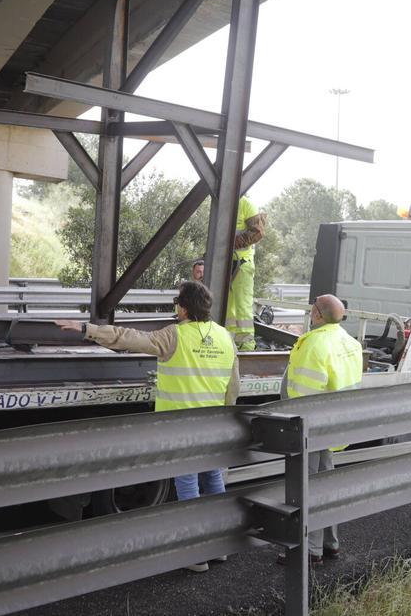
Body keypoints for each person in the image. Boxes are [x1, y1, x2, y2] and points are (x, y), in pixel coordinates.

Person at [57, 280, 238, 573]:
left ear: (183, 308)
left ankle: (195, 554)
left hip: (181, 427)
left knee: (188, 485)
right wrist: (224, 419)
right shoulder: (225, 337)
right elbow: (233, 385)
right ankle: (219, 546)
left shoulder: (175, 336)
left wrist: (86, 329)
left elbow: (128, 338)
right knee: (214, 481)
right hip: (213, 424)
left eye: (177, 302)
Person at [278, 294, 362, 566]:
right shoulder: (351, 343)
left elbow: (300, 392)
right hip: (336, 425)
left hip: (311, 429)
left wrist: (289, 423)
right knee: (328, 484)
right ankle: (330, 543)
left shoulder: (312, 343)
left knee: (309, 487)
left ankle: (310, 550)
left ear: (316, 315)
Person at [227, 196, 266, 352]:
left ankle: (246, 345)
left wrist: (231, 242)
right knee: (228, 306)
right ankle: (228, 341)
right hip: (225, 264)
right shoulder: (225, 203)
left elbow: (258, 233)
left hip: (242, 264)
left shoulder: (246, 204)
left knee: (242, 305)